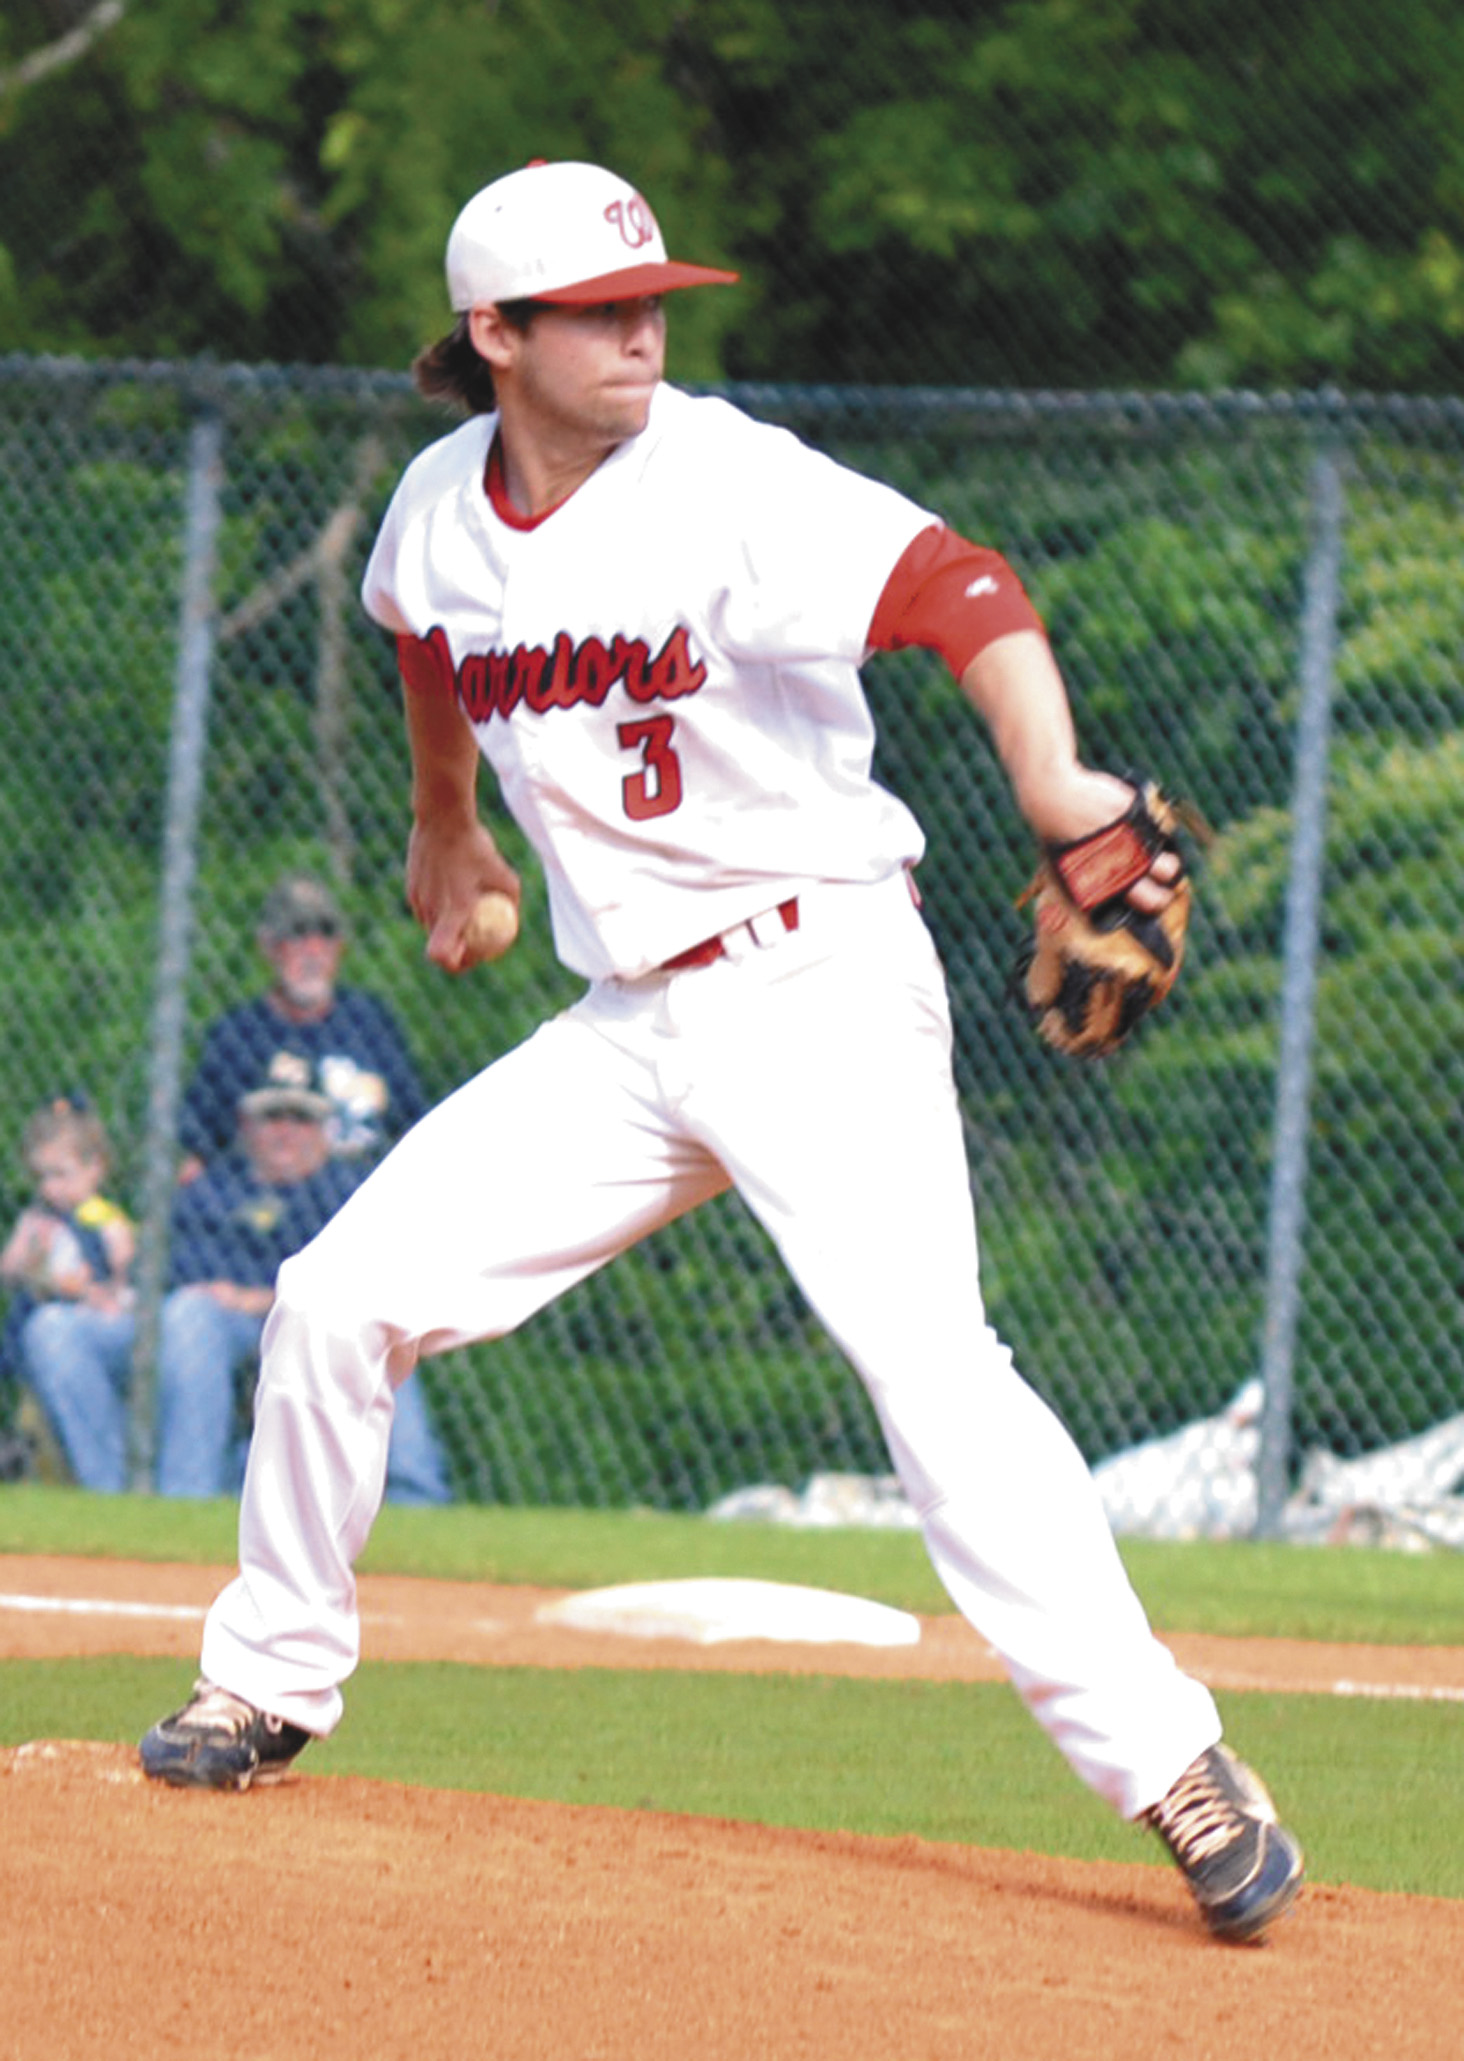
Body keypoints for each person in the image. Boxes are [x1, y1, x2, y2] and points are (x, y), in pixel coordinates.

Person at [138, 158, 1302, 1944]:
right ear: (495, 335)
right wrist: (447, 829)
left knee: (927, 1368)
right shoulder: (442, 504)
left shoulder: (724, 476)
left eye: (651, 296)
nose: (641, 327)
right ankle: (270, 1675)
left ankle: (1176, 1770)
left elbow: (956, 584)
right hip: (626, 1025)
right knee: (331, 1298)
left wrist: (1053, 781)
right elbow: (422, 637)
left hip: (815, 982)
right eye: (600, 307)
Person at [21, 1084, 451, 1502]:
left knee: (202, 1314)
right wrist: (108, 1291)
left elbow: (365, 1288)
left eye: (300, 1119)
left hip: (294, 1325)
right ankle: (118, 1501)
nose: (284, 1131)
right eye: (270, 1118)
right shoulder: (209, 1188)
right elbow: (157, 1269)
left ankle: (187, 1497)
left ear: (324, 1131)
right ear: (245, 1127)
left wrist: (253, 1300)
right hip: (186, 1319)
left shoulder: (348, 1190)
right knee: (53, 1328)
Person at [177, 874, 428, 1178]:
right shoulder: (236, 1035)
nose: (312, 951)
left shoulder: (370, 1023)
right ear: (268, 947)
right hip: (269, 1208)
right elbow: (197, 1160)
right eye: (297, 935)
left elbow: (411, 1128)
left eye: (324, 934)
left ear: (339, 946)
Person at [1, 1097, 135, 1484]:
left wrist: (95, 1287)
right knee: (38, 1422)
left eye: (61, 1175)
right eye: (42, 1176)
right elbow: (9, 1269)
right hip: (29, 1331)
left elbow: (122, 1276)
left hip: (91, 1322)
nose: (50, 1187)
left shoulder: (106, 1220)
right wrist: (30, 1255)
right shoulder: (38, 1219)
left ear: (95, 1170)